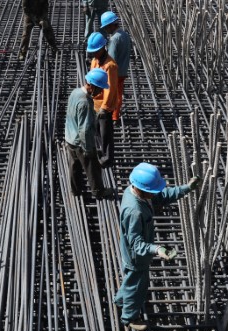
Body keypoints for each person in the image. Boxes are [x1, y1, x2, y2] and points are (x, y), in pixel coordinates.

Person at [114, 163, 200, 331]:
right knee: (138, 286)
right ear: (141, 189)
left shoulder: (136, 192)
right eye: (152, 191)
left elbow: (162, 196)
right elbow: (136, 244)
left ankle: (120, 299)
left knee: (131, 279)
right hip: (136, 257)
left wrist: (186, 188)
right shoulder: (134, 211)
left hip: (132, 253)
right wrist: (157, 249)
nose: (155, 194)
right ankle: (129, 317)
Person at [65, 68, 113, 199]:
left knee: (74, 166)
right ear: (91, 85)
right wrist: (88, 149)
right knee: (93, 168)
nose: (101, 91)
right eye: (100, 88)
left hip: (69, 138)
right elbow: (84, 129)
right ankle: (98, 192)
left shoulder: (75, 92)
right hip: (81, 142)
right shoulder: (85, 102)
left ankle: (76, 191)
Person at [87, 32, 119, 168]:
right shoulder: (94, 61)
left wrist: (104, 108)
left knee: (105, 134)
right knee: (96, 133)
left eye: (96, 51)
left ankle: (107, 159)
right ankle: (100, 153)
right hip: (94, 103)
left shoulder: (110, 65)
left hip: (104, 107)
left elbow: (110, 89)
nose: (93, 54)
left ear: (103, 48)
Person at [101, 12, 132, 121]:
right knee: (118, 94)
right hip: (123, 70)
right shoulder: (125, 35)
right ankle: (115, 115)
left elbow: (111, 59)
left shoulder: (114, 39)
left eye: (105, 27)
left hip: (115, 72)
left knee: (113, 95)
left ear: (111, 25)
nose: (105, 30)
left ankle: (113, 116)